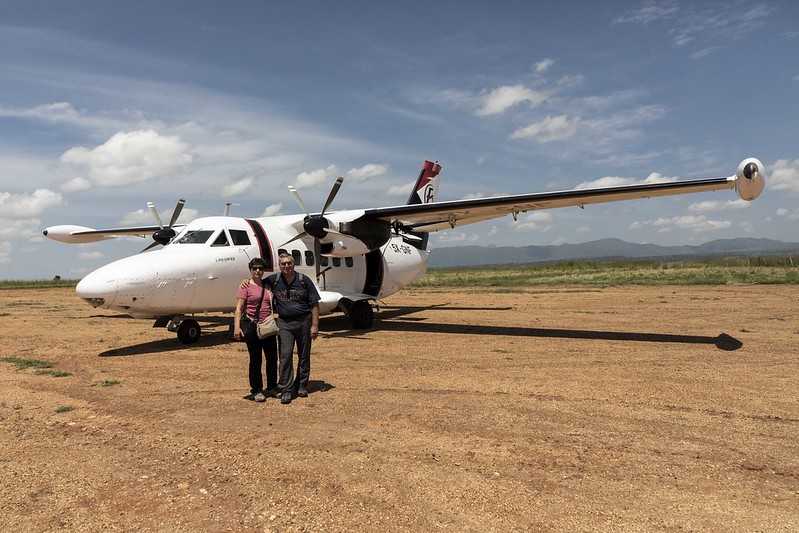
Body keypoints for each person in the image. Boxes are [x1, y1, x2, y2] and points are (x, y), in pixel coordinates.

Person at [260, 253, 320, 404]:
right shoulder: (274, 280)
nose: (286, 266)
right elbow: (257, 283)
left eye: (289, 263)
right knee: (285, 355)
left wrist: (315, 325)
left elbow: (314, 304)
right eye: (283, 264)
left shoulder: (304, 280)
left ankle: (301, 385)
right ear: (279, 266)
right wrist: (245, 281)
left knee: (304, 355)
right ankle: (286, 389)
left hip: (304, 321)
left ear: (294, 264)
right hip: (284, 323)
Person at [234, 257, 278, 403]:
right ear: (250, 270)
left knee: (272, 357)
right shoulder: (245, 286)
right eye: (255, 268)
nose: (258, 271)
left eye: (260, 268)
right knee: (255, 359)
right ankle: (257, 390)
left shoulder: (268, 285)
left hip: (267, 325)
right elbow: (239, 308)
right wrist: (237, 326)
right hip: (252, 325)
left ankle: (272, 387)